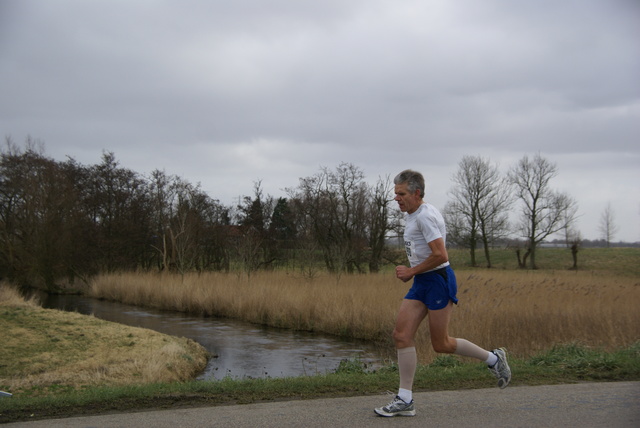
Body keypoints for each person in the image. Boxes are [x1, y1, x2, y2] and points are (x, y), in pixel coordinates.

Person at [374, 169, 511, 418]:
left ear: (417, 193)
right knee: (401, 335)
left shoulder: (426, 216)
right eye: (395, 194)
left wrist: (411, 271)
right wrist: (416, 273)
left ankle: (493, 359)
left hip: (437, 281)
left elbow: (441, 255)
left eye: (401, 194)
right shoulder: (413, 213)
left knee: (441, 344)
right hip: (422, 282)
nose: (397, 199)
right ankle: (405, 399)